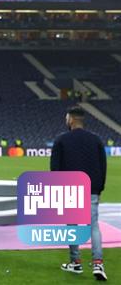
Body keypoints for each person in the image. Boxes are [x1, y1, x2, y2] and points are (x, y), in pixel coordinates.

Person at [51, 106, 108, 281]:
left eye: (66, 118)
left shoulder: (61, 140)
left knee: (72, 227)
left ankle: (75, 262)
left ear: (71, 119)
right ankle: (98, 263)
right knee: (93, 226)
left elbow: (55, 169)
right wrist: (99, 188)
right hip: (91, 189)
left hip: (70, 189)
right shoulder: (96, 139)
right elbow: (102, 166)